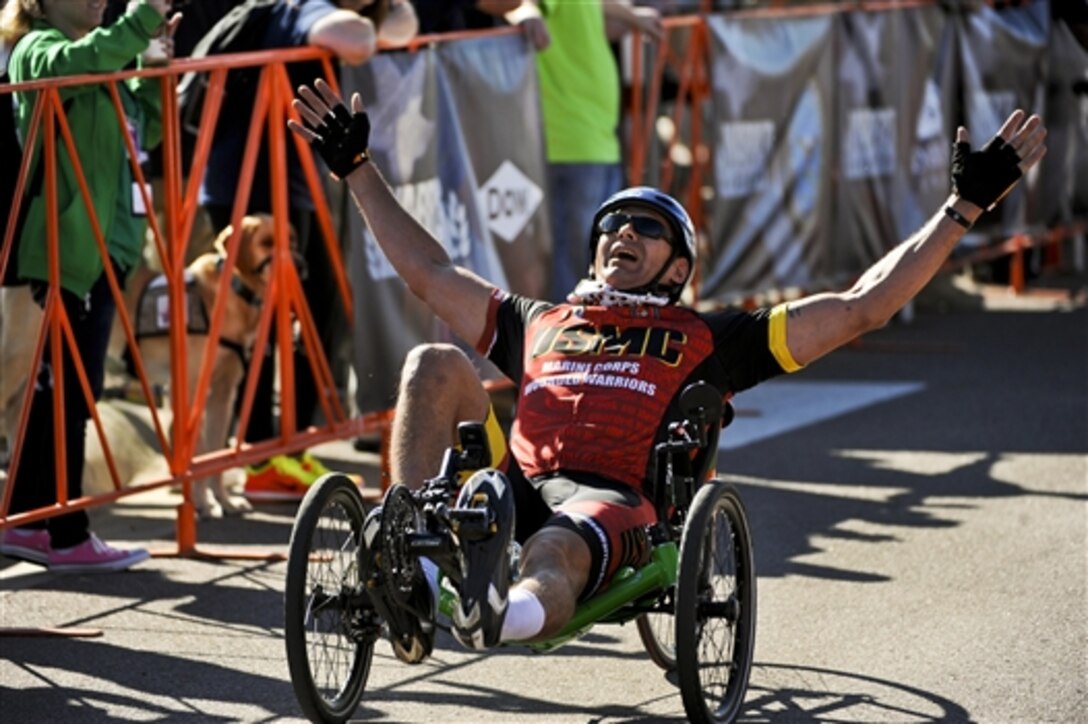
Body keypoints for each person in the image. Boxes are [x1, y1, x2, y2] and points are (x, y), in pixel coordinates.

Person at [288, 79, 1046, 657]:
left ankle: (500, 615)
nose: (622, 233)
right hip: (511, 484)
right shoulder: (542, 319)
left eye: (645, 229)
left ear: (676, 265)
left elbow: (859, 307)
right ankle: (412, 576)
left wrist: (962, 209)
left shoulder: (710, 335)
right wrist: (357, 169)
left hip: (612, 498)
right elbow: (427, 270)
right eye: (611, 225)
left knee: (553, 547)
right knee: (432, 362)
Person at [196, 0, 418, 502]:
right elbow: (359, 38)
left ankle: (285, 450)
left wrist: (374, 22)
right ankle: (259, 457)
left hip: (292, 183)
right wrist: (369, 26)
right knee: (257, 330)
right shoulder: (297, 6)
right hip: (251, 187)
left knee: (309, 313)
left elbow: (404, 26)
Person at [0, 0, 180, 572]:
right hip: (64, 249)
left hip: (105, 250)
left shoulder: (109, 54)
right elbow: (75, 63)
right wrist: (138, 27)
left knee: (67, 387)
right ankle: (61, 529)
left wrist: (151, 67)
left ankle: (34, 522)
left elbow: (144, 130)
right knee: (64, 388)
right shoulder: (38, 47)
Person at [504, 0, 664, 302]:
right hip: (570, 142)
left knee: (595, 256)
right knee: (575, 262)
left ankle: (592, 336)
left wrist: (632, 16)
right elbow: (518, 5)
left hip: (597, 139)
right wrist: (528, 16)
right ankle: (566, 342)